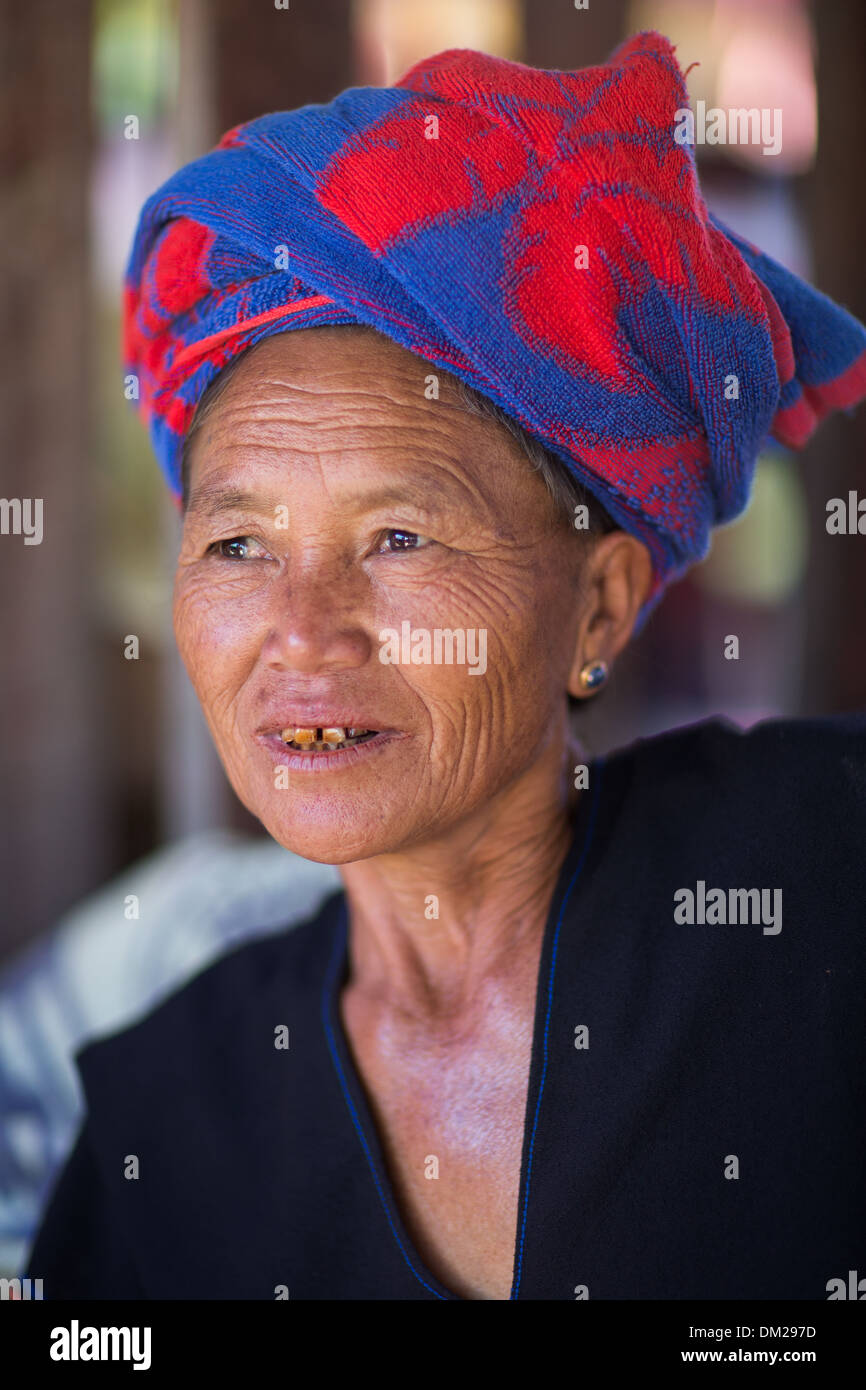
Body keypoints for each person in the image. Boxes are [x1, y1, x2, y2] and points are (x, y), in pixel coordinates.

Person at [24, 32, 866, 1300]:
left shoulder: (822, 886)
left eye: (399, 537)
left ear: (597, 606)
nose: (302, 632)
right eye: (240, 542)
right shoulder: (163, 1127)